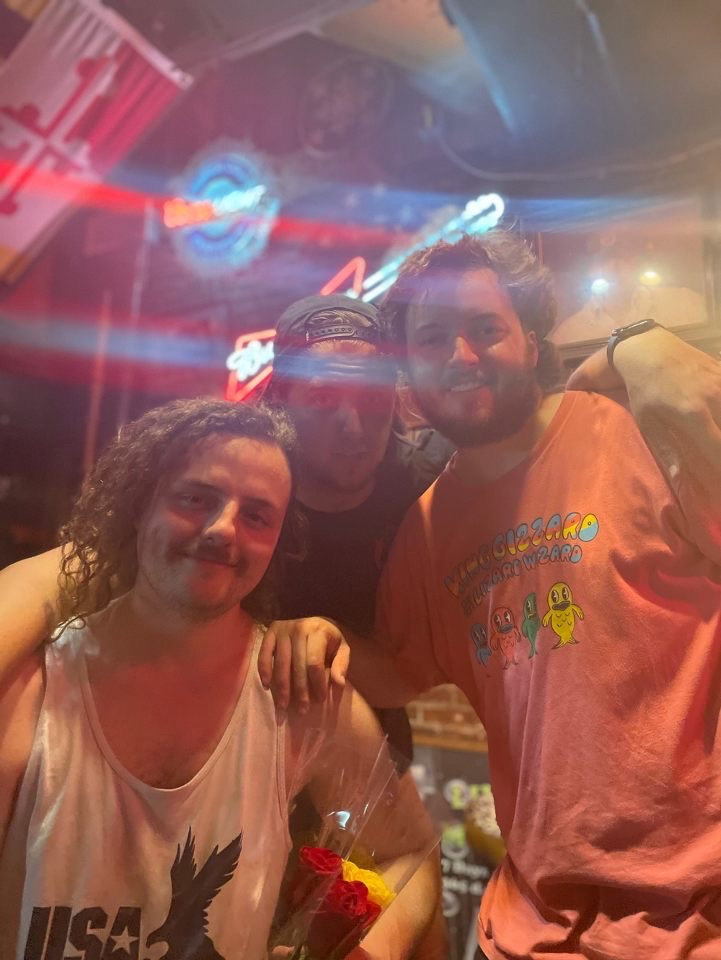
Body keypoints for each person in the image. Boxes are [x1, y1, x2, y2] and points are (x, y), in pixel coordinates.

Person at [264, 230, 721, 960]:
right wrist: (316, 634)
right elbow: (399, 668)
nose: (460, 356)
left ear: (532, 344)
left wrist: (633, 343)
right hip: (529, 927)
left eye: (484, 329)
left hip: (697, 918)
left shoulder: (636, 428)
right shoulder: (426, 522)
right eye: (432, 337)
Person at [0, 398, 440, 960]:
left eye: (256, 516)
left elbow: (412, 854)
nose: (222, 529)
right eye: (195, 498)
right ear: (140, 506)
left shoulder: (298, 697)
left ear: (277, 541)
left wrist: (372, 951)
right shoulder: (33, 688)